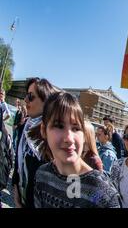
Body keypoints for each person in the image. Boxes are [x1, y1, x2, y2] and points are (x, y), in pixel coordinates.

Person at [34, 92, 121, 208]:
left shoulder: (103, 194)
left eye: (76, 128)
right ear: (44, 131)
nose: (69, 139)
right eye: (59, 126)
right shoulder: (42, 175)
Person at [12, 78, 58, 208]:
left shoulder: (52, 136)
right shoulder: (23, 128)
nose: (25, 100)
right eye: (26, 95)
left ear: (46, 101)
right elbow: (18, 162)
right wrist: (16, 193)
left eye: (31, 96)